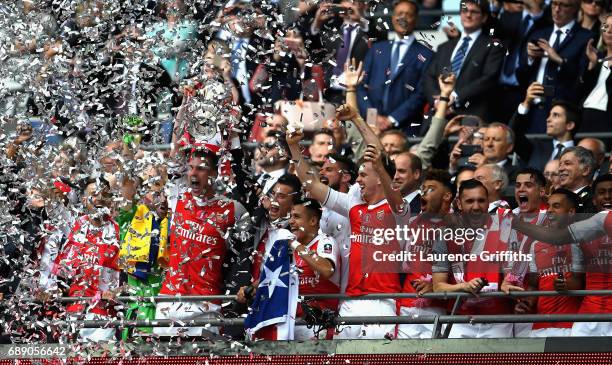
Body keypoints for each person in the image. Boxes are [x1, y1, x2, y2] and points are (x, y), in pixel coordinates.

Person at [289, 104, 409, 339]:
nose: (359, 180)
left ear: (379, 177)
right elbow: (311, 185)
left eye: (364, 175)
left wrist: (356, 118)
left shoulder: (398, 211)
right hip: (350, 301)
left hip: (381, 303)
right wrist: (294, 147)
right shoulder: (354, 206)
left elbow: (379, 157)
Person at [155, 149, 247, 338]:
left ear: (214, 173)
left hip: (206, 304)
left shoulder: (232, 209)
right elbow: (174, 151)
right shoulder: (177, 197)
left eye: (201, 169)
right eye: (190, 168)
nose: (193, 174)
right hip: (168, 300)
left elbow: (249, 251)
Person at [511, 174, 612, 336]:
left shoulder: (595, 223)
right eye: (602, 192)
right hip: (587, 318)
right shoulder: (586, 229)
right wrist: (562, 285)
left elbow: (557, 237)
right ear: (594, 199)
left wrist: (515, 223)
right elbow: (576, 279)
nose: (607, 196)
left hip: (575, 322)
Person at [432, 179, 513, 338]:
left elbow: (512, 272)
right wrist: (464, 287)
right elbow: (438, 287)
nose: (476, 206)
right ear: (459, 204)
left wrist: (508, 280)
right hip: (460, 320)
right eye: (469, 201)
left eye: (481, 201)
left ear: (489, 202)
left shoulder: (505, 229)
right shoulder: (445, 235)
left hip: (499, 320)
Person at [507, 188, 585, 337]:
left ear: (571, 212)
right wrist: (527, 302)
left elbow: (582, 282)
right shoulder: (536, 244)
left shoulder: (582, 241)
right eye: (548, 206)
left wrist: (568, 285)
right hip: (540, 327)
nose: (549, 210)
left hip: (573, 327)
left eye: (556, 206)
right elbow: (535, 284)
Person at [52, 177, 121, 342]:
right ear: (84, 199)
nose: (99, 198)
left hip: (103, 317)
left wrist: (115, 292)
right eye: (94, 194)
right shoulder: (75, 225)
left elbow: (127, 276)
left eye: (104, 194)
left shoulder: (120, 231)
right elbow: (59, 272)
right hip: (73, 312)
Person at [516, 0, 593, 133]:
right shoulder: (538, 33)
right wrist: (529, 58)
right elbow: (520, 75)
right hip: (532, 107)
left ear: (575, 9)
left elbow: (583, 78)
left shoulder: (585, 37)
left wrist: (559, 59)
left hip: (562, 112)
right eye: (554, 4)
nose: (557, 9)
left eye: (563, 5)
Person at [357, 0, 433, 133]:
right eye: (399, 13)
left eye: (408, 14)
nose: (403, 17)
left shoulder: (427, 55)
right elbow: (361, 86)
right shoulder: (376, 49)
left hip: (405, 128)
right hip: (371, 127)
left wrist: (391, 120)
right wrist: (374, 119)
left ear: (415, 19)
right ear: (393, 18)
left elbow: (421, 93)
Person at [423, 0, 505, 121]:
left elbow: (489, 78)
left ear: (484, 18)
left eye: (474, 11)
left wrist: (454, 97)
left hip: (472, 115)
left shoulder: (493, 46)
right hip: (438, 114)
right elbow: (429, 76)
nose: (468, 15)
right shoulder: (445, 46)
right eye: (464, 11)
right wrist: (438, 101)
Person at [397, 169, 453, 339]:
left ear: (447, 196)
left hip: (439, 307)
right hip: (407, 304)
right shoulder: (411, 223)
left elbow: (466, 271)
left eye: (431, 189)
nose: (424, 193)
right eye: (423, 189)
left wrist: (437, 285)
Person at [119, 165, 169, 340]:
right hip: (139, 309)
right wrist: (137, 175)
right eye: (155, 193)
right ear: (143, 196)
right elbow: (125, 194)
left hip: (169, 309)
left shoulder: (177, 222)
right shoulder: (133, 217)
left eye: (165, 193)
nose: (162, 199)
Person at [288, 199, 340, 340]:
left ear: (312, 221)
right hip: (293, 323)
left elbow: (326, 269)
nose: (291, 221)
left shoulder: (325, 242)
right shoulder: (290, 248)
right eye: (290, 217)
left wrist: (296, 245)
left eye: (297, 217)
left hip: (320, 326)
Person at [493, 0, 552, 123]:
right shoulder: (507, 16)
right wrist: (495, 6)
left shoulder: (548, 19)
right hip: (496, 89)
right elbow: (489, 30)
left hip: (523, 91)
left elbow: (543, 24)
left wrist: (535, 10)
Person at [510, 87, 579, 171]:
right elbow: (512, 135)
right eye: (549, 115)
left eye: (555, 115)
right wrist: (526, 103)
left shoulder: (581, 152)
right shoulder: (536, 148)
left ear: (570, 125)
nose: (548, 119)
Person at [578, 13, 612, 133]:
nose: (609, 31)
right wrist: (592, 64)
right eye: (606, 27)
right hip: (585, 114)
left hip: (607, 117)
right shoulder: (597, 57)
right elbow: (581, 89)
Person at [558, 146, 597, 212]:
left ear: (585, 170)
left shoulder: (594, 200)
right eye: (560, 165)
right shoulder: (556, 198)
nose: (560, 169)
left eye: (567, 163)